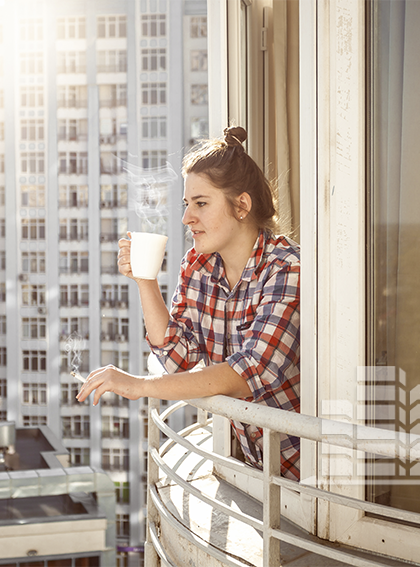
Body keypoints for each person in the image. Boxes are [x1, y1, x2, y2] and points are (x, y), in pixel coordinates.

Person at [76, 126, 300, 480]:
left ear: (241, 205)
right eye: (186, 204)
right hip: (255, 471)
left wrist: (138, 385)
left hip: (312, 480)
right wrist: (145, 281)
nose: (186, 218)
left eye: (201, 204)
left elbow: (248, 374)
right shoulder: (198, 265)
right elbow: (180, 360)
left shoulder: (286, 269)